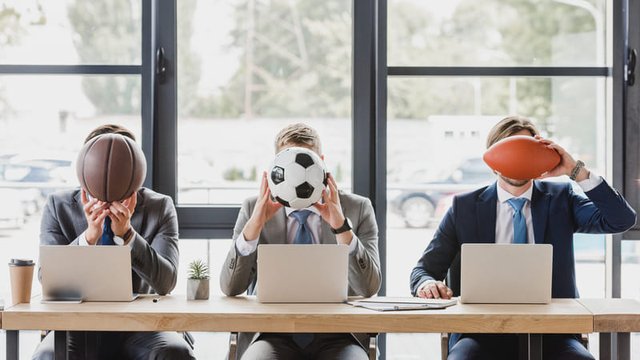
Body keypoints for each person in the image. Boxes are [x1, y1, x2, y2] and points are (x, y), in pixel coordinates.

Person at [410, 116, 637, 360]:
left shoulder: (562, 198)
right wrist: (427, 284)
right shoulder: (464, 207)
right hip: (480, 333)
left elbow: (621, 219)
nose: (517, 159)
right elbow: (422, 271)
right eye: (509, 150)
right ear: (492, 159)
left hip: (554, 332)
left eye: (525, 150)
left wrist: (576, 171)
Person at [33, 124, 195, 360]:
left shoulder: (159, 207)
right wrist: (89, 237)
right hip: (76, 324)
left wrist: (128, 235)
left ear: (134, 170)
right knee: (48, 356)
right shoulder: (59, 206)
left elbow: (166, 282)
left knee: (174, 353)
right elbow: (46, 278)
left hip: (142, 324)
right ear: (85, 168)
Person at [220, 123, 381, 360]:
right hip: (270, 333)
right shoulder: (253, 208)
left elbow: (369, 288)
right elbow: (230, 287)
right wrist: (254, 227)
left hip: (339, 334)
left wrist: (340, 227)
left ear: (322, 165)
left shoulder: (357, 208)